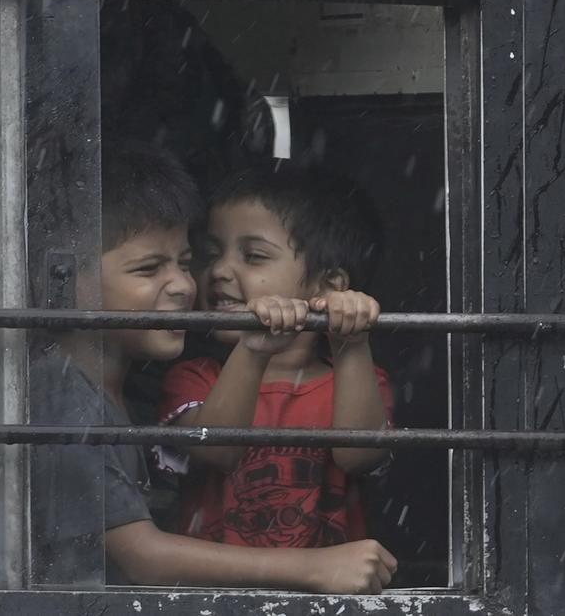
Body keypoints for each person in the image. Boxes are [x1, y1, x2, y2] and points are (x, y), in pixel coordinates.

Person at [31, 144, 397, 593]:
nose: (189, 284)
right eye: (149, 269)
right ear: (64, 278)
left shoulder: (127, 392)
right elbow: (142, 555)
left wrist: (351, 340)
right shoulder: (66, 392)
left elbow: (360, 455)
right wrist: (310, 568)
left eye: (186, 263)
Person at [158, 167, 394, 550]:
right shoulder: (193, 377)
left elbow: (358, 456)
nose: (218, 271)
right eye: (211, 254)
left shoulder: (359, 379)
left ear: (327, 285)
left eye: (253, 256)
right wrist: (254, 348)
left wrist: (350, 340)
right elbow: (218, 450)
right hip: (213, 598)